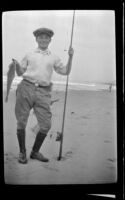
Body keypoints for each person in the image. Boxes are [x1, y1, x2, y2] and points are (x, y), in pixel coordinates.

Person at [13, 27, 74, 164]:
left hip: (44, 91)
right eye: (41, 37)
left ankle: (35, 152)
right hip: (26, 88)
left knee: (46, 125)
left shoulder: (54, 57)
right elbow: (20, 72)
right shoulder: (29, 54)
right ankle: (22, 152)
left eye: (46, 37)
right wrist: (16, 66)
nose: (43, 39)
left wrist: (70, 57)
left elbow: (65, 71)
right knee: (21, 121)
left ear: (50, 40)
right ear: (36, 39)